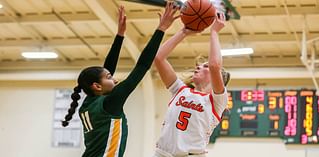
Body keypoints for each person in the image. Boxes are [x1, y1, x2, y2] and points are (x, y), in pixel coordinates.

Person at [61, 3, 179, 157]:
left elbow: (106, 70)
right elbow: (142, 65)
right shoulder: (110, 102)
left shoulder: (88, 103)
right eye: (110, 78)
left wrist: (120, 36)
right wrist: (161, 29)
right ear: (96, 86)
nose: (115, 80)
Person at [153, 13, 230, 157]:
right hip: (162, 154)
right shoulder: (179, 90)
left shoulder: (217, 101)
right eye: (200, 66)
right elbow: (159, 58)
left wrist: (214, 32)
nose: (199, 67)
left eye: (204, 66)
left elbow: (214, 65)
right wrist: (183, 32)